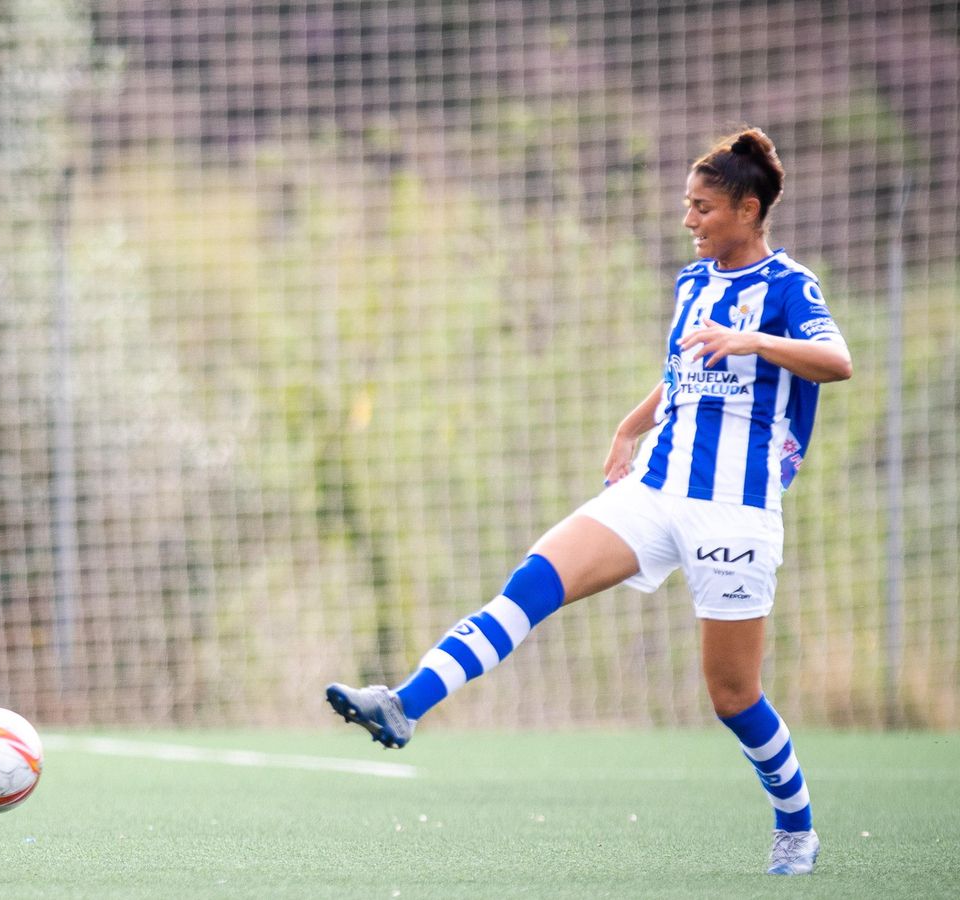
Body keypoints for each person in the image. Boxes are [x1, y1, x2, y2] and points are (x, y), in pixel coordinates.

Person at [326, 127, 851, 877]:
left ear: (747, 207)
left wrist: (756, 344)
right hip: (656, 488)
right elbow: (685, 373)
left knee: (733, 696)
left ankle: (796, 827)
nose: (688, 220)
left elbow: (838, 362)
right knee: (531, 584)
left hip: (733, 513)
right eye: (685, 206)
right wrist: (630, 427)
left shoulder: (790, 287)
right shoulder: (692, 283)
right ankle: (403, 702)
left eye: (702, 207)